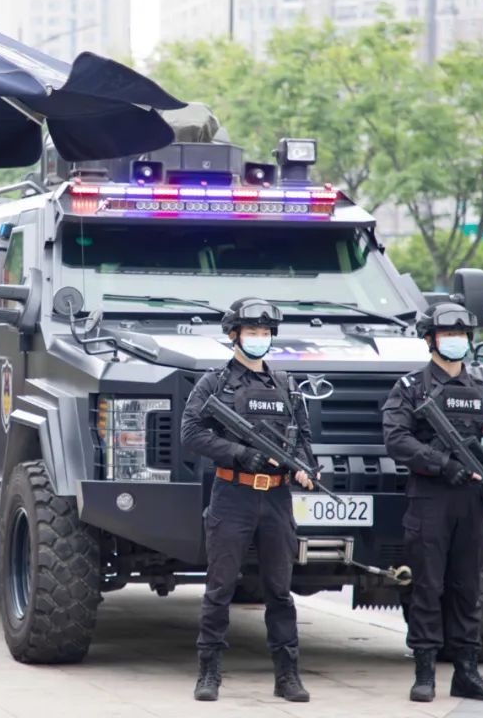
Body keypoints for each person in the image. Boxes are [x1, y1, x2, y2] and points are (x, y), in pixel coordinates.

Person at [180, 297, 317, 703]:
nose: (259, 337)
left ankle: (287, 676)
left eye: (264, 332)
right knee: (220, 588)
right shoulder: (214, 384)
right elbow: (191, 432)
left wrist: (306, 468)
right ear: (234, 335)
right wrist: (241, 454)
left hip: (276, 498)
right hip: (233, 495)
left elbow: (303, 439)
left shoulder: (286, 385)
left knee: (279, 590)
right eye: (251, 331)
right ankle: (209, 674)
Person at [382, 302, 483, 703]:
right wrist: (441, 465)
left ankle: (466, 673)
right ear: (430, 340)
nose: (455, 341)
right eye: (447, 334)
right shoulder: (411, 388)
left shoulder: (482, 391)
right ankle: (425, 674)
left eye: (461, 335)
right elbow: (396, 439)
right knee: (427, 588)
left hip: (472, 502)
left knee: (468, 588)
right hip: (431, 499)